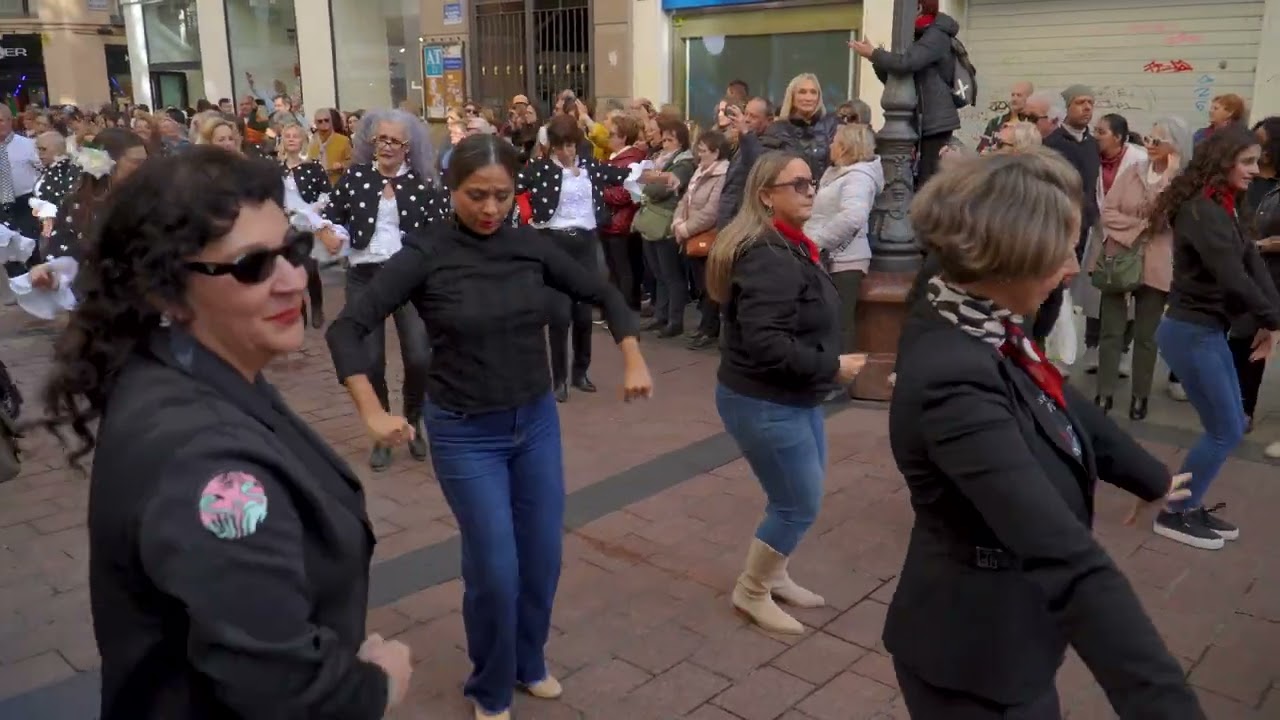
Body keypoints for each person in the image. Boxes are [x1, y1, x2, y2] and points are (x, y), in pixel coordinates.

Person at [38, 146, 412, 719]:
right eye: (251, 266)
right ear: (166, 290)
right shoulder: (204, 458)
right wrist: (374, 688)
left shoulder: (186, 367)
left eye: (294, 250)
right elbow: (281, 686)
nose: (292, 279)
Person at [326, 135, 653, 720]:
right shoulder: (425, 252)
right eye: (477, 195)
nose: (491, 209)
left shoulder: (528, 245)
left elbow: (603, 290)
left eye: (503, 196)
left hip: (535, 422)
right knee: (496, 569)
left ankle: (527, 661)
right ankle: (490, 685)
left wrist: (632, 353)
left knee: (543, 556)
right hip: (464, 431)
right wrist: (370, 410)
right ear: (451, 188)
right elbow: (348, 328)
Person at [888, 147, 1204, 719]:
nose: (1071, 269)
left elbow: (1055, 394)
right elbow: (1062, 552)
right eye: (1057, 252)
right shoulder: (952, 378)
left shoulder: (973, 305)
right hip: (976, 658)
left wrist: (1147, 476)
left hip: (1010, 638)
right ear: (1003, 258)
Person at [706, 150, 866, 634]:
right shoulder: (769, 256)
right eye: (798, 184)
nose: (811, 190)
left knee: (798, 497)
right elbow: (764, 341)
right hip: (764, 400)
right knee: (798, 503)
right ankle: (751, 591)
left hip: (792, 396)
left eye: (811, 182)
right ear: (766, 196)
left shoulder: (790, 243)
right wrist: (831, 365)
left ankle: (773, 575)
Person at [1151, 125, 1275, 549]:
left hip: (1207, 331)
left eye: (1257, 162)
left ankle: (1188, 502)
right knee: (1225, 430)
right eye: (1246, 162)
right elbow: (1232, 274)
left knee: (1231, 424)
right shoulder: (1201, 210)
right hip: (1189, 332)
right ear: (1222, 163)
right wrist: (1273, 321)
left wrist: (1272, 320)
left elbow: (1251, 263)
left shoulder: (1225, 207)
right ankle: (1174, 514)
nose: (1255, 171)